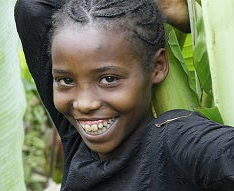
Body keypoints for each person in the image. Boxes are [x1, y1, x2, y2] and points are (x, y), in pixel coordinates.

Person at [14, 0, 234, 190]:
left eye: (109, 79)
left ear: (158, 66)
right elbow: (34, 9)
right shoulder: (79, 141)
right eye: (66, 80)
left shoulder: (176, 141)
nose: (84, 103)